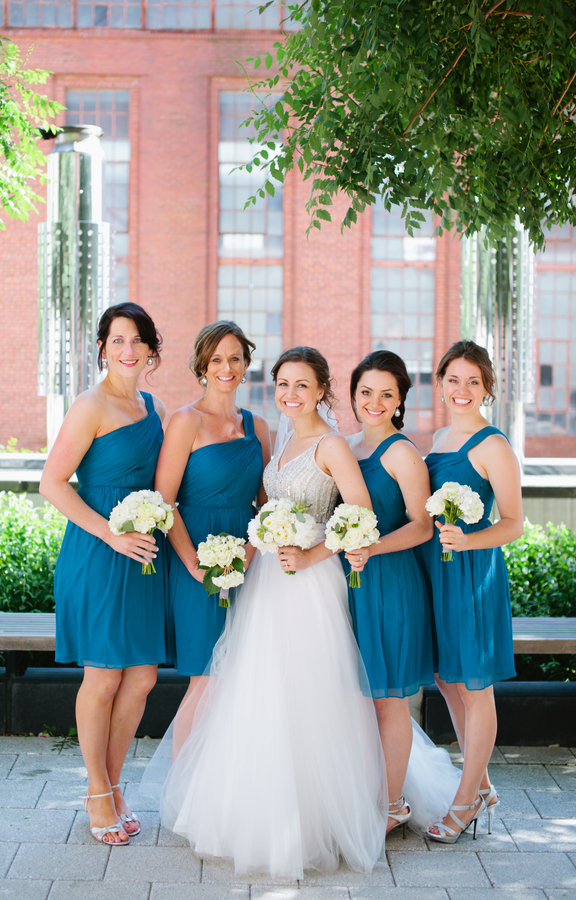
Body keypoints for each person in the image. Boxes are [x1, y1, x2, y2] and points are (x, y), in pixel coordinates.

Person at [143, 346, 389, 879]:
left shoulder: (331, 445)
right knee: (256, 687)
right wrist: (256, 545)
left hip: (310, 582)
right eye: (283, 383)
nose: (290, 394)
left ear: (323, 390)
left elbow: (361, 516)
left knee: (306, 690)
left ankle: (309, 819)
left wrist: (311, 552)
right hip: (267, 580)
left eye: (302, 384)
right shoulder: (277, 442)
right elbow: (265, 504)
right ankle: (248, 807)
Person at [40, 302, 168, 846]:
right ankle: (96, 792)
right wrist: (110, 534)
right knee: (104, 677)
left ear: (151, 350)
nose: (128, 349)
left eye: (137, 339)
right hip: (98, 552)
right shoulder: (90, 406)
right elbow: (52, 482)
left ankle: (115, 784)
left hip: (143, 558)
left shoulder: (154, 407)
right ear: (102, 348)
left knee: (141, 678)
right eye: (117, 340)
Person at [420, 340, 523, 843]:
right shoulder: (439, 436)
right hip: (437, 572)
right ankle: (479, 783)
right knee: (446, 679)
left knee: (475, 685)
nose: (462, 390)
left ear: (486, 388)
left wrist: (468, 540)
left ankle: (465, 803)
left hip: (473, 574)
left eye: (473, 381)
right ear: (441, 384)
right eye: (454, 380)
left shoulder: (492, 445)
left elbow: (515, 523)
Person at [154, 321, 271, 745]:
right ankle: (182, 795)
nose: (227, 367)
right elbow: (163, 501)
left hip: (248, 558)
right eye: (217, 359)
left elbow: (267, 503)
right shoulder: (185, 421)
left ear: (246, 365)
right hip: (196, 558)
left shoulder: (258, 426)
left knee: (240, 674)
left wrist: (249, 553)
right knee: (206, 677)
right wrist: (195, 563)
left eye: (235, 358)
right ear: (202, 365)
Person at [344, 350, 435, 836]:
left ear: (399, 400)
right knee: (359, 697)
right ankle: (368, 791)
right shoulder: (347, 445)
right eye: (366, 392)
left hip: (390, 584)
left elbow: (422, 526)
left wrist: (372, 548)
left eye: (386, 394)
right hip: (350, 585)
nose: (374, 402)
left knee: (389, 699)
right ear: (353, 394)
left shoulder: (401, 452)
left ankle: (394, 803)